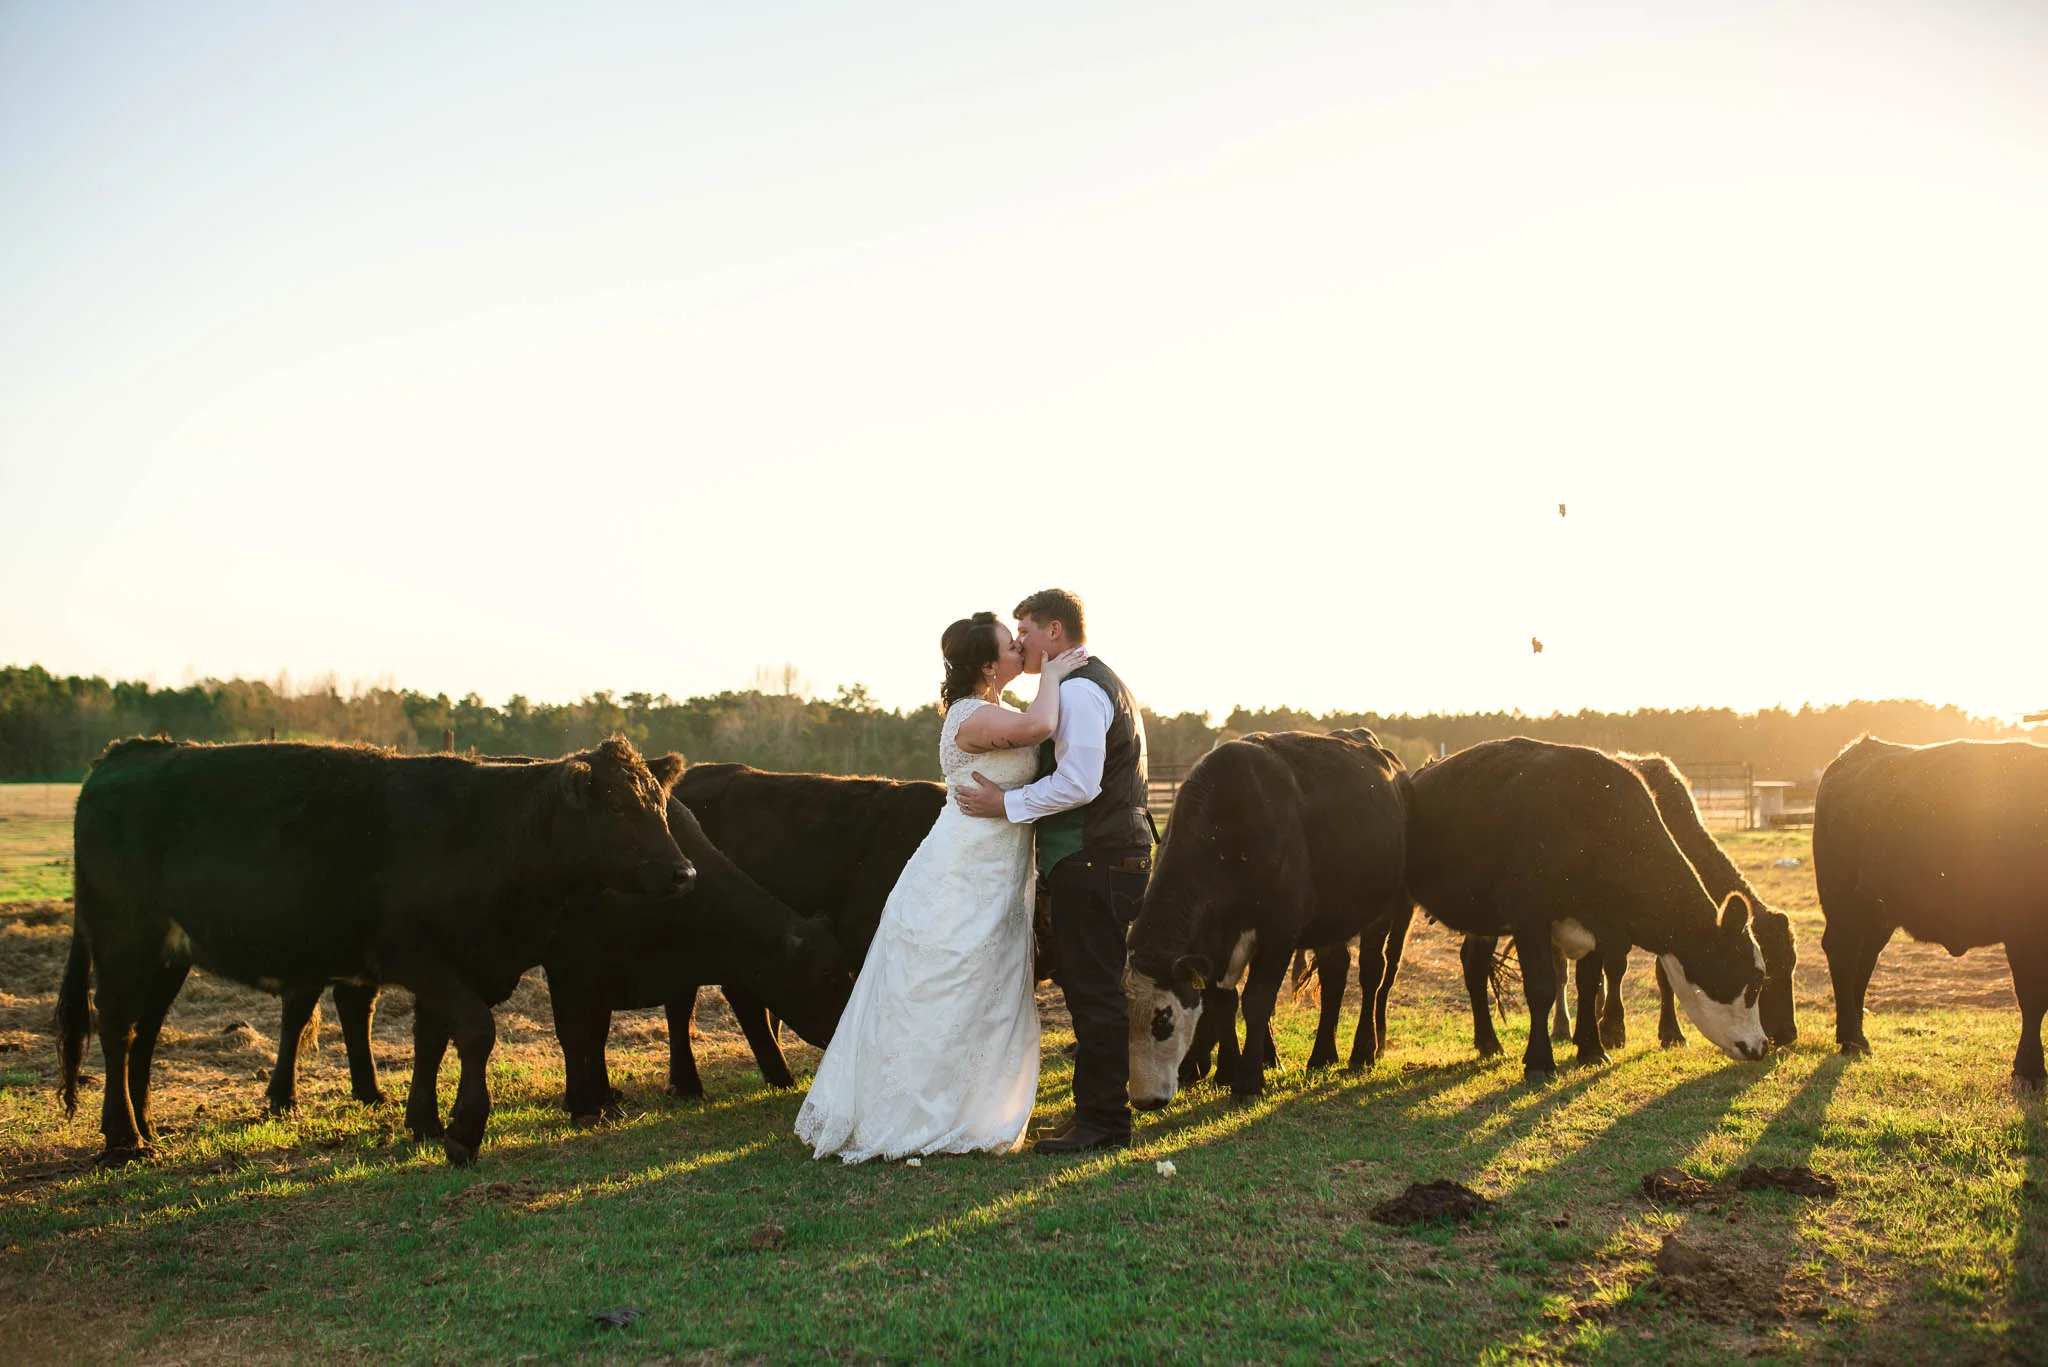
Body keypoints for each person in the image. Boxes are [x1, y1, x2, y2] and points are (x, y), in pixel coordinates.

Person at [794, 612, 1087, 1162]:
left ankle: (968, 1107)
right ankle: (911, 1113)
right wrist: (1052, 668)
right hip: (960, 872)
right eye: (1010, 644)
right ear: (987, 664)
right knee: (943, 979)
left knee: (983, 986)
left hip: (998, 872)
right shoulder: (969, 716)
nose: (1019, 647)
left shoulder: (997, 709)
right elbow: (1040, 730)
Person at [954, 588, 1151, 1154]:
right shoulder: (1092, 682)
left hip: (1095, 857)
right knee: (1092, 989)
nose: (1019, 642)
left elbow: (1080, 783)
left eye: (1025, 631)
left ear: (1055, 633)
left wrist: (1007, 806)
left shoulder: (1083, 690)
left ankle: (1105, 1124)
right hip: (1102, 854)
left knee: (1094, 993)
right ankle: (1094, 1115)